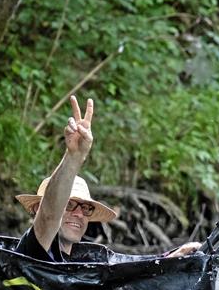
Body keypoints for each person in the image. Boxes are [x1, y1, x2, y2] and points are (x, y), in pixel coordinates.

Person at [14, 95, 199, 261]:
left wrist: (172, 259)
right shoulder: (30, 252)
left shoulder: (86, 265)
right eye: (68, 205)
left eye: (85, 208)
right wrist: (74, 156)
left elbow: (126, 273)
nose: (79, 214)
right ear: (37, 209)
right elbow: (48, 217)